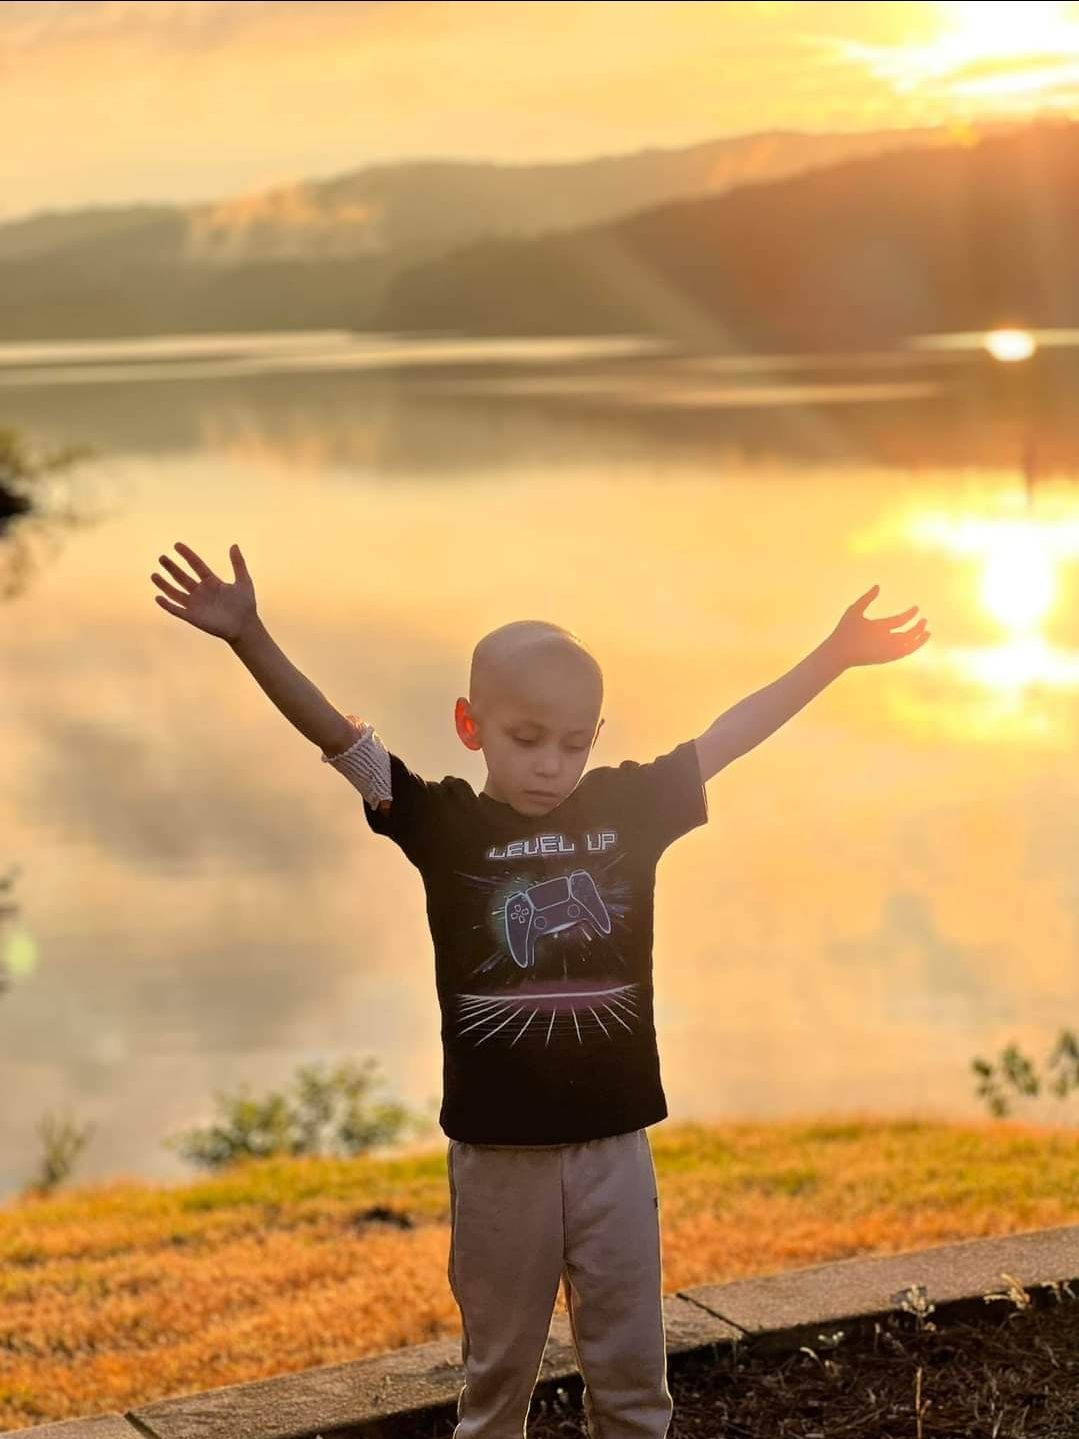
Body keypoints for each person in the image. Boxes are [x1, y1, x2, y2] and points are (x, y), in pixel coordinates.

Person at [151, 539, 929, 1438]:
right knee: (495, 1390)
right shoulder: (438, 821)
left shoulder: (626, 810)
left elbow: (727, 736)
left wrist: (832, 657)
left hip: (614, 1152)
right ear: (470, 723)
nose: (551, 764)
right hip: (498, 1162)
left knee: (634, 1382)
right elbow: (339, 738)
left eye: (571, 742)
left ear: (596, 736)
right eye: (526, 740)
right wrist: (249, 635)